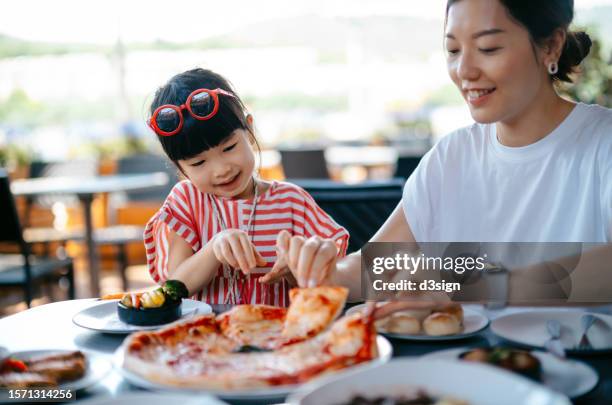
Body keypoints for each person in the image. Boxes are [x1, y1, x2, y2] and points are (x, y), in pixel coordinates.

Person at [261, 0, 612, 304]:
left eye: (488, 48)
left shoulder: (602, 143)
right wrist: (328, 273)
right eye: (454, 50)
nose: (465, 71)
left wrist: (473, 285)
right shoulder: (452, 156)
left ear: (550, 46)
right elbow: (377, 267)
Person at [144, 68, 349, 306]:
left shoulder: (292, 201)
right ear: (179, 167)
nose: (221, 169)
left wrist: (297, 268)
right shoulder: (187, 200)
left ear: (249, 131)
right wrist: (214, 247)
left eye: (229, 147)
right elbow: (174, 287)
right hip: (207, 336)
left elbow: (332, 276)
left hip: (278, 334)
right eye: (198, 162)